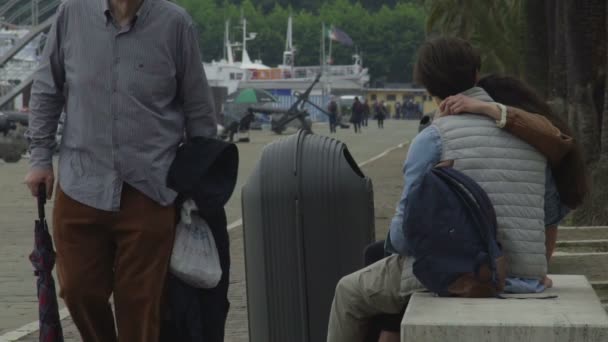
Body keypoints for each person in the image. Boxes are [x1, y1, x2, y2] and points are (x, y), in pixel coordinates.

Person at [326, 37, 568, 342]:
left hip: (464, 275)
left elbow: (402, 238)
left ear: (428, 87)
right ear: (477, 74)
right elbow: (549, 218)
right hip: (527, 279)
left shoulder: (433, 137)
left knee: (349, 292)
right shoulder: (528, 134)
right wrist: (533, 271)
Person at [24, 1, 217, 341]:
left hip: (151, 188)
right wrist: (40, 159)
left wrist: (199, 182)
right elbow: (46, 88)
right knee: (78, 290)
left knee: (140, 302)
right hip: (81, 182)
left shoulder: (176, 24)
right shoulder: (71, 14)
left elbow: (199, 111)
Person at [363, 74, 589, 342]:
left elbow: (404, 237)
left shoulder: (517, 144)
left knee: (379, 258)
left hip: (488, 267)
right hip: (510, 264)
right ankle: (391, 331)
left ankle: (390, 333)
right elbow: (547, 228)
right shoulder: (542, 142)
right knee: (380, 256)